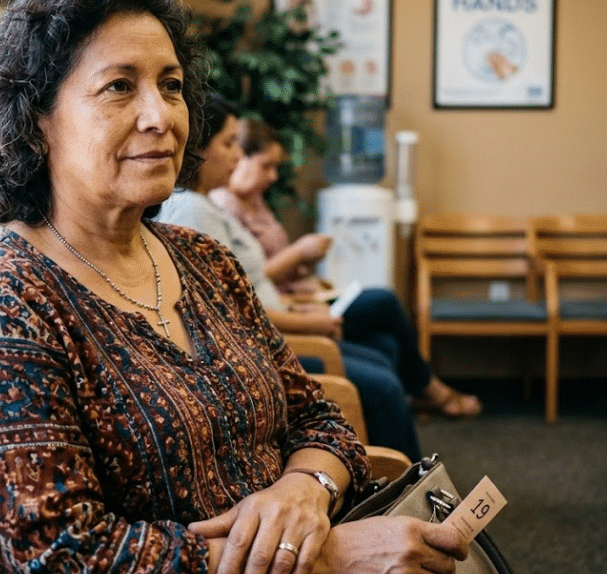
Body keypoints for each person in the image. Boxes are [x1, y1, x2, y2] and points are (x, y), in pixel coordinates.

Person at [0, 0, 467, 574]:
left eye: (171, 85)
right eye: (119, 87)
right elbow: (61, 558)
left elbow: (317, 416)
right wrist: (326, 556)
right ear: (36, 119)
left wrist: (305, 489)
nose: (162, 116)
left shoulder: (203, 258)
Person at [158, 95, 426, 461]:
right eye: (228, 143)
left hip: (275, 331)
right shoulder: (191, 210)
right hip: (265, 346)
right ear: (198, 149)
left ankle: (399, 482)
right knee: (384, 385)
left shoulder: (205, 207)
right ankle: (403, 493)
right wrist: (308, 321)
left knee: (382, 356)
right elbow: (226, 314)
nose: (238, 155)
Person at [210, 118, 482, 419]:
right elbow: (248, 280)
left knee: (387, 343)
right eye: (266, 165)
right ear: (241, 158)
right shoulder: (222, 207)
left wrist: (304, 265)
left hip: (303, 298)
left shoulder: (255, 202)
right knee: (384, 300)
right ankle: (430, 391)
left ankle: (401, 410)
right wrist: (299, 253)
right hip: (293, 311)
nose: (273, 176)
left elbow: (267, 267)